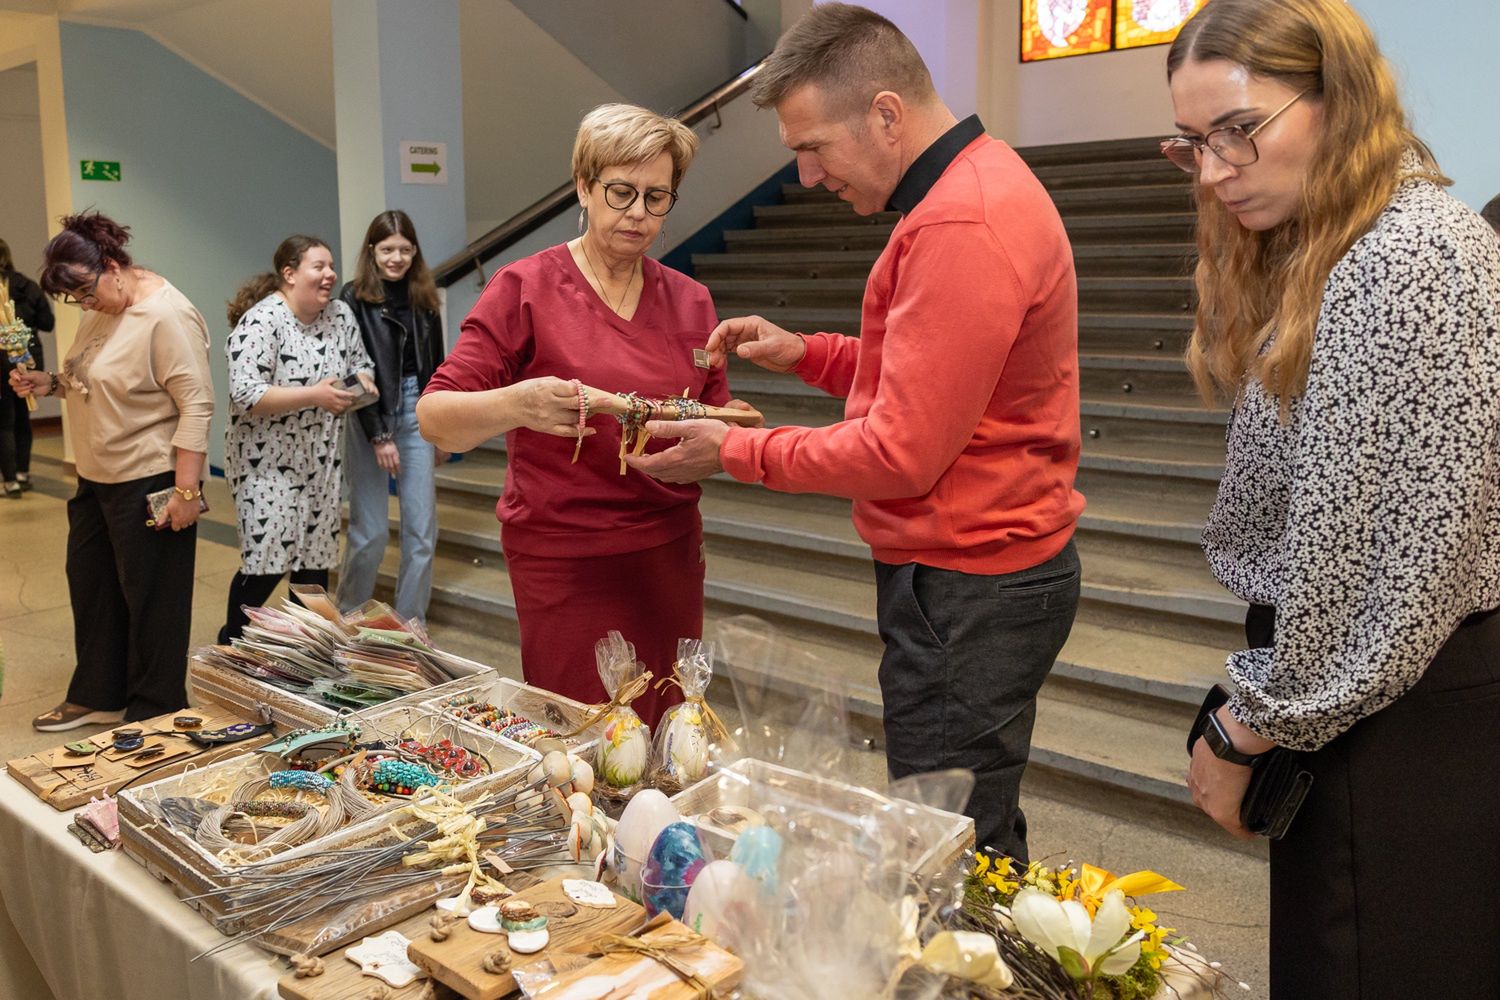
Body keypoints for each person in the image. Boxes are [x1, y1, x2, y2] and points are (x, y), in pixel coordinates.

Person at [627, 3, 1084, 863]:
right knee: (972, 820)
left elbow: (901, 451)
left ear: (885, 113)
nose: (804, 176)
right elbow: (931, 376)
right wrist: (807, 353)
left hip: (969, 581)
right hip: (987, 570)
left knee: (949, 846)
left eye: (812, 148)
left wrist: (733, 450)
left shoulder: (958, 221)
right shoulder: (975, 185)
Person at [1163, 1, 1500, 995]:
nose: (1217, 169)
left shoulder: (1400, 258)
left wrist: (1250, 723)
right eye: (1193, 143)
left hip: (1394, 710)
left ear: (1338, 99)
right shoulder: (1357, 241)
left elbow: (1376, 568)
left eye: (1240, 129)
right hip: (1383, 692)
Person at [418, 103, 730, 728]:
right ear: (583, 187)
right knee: (584, 737)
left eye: (657, 197)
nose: (638, 213)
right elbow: (436, 417)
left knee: (671, 731)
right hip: (565, 558)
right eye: (620, 192)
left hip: (666, 552)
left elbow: (719, 422)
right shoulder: (525, 288)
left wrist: (718, 441)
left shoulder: (691, 300)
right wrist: (518, 404)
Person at [10, 212, 213, 729]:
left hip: (150, 477)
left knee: (153, 600)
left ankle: (157, 708)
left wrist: (186, 493)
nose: (83, 305)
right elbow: (93, 374)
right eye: (73, 299)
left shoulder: (167, 315)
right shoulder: (100, 305)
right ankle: (102, 692)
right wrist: (49, 383)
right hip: (96, 474)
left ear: (114, 265)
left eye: (85, 292)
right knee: (94, 584)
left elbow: (196, 406)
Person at [219, 236, 375, 643]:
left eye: (331, 266)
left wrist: (358, 388)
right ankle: (230, 645)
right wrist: (315, 395)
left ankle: (301, 656)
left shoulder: (340, 315)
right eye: (318, 266)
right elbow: (246, 393)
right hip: (265, 465)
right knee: (265, 564)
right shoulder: (261, 321)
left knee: (312, 569)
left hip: (320, 464)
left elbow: (361, 365)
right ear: (289, 274)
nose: (330, 275)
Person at [335, 210, 448, 623]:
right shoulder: (352, 298)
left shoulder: (425, 298)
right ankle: (347, 619)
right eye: (387, 249)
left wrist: (441, 432)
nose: (396, 258)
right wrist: (379, 434)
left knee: (421, 532)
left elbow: (437, 368)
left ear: (414, 252)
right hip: (370, 413)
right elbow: (350, 374)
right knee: (371, 533)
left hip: (418, 409)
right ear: (372, 251)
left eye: (404, 249)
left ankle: (409, 626)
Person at [0, 238, 53, 498]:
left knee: (3, 421)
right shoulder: (27, 286)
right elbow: (48, 322)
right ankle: (23, 472)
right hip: (29, 357)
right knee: (23, 416)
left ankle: (9, 481)